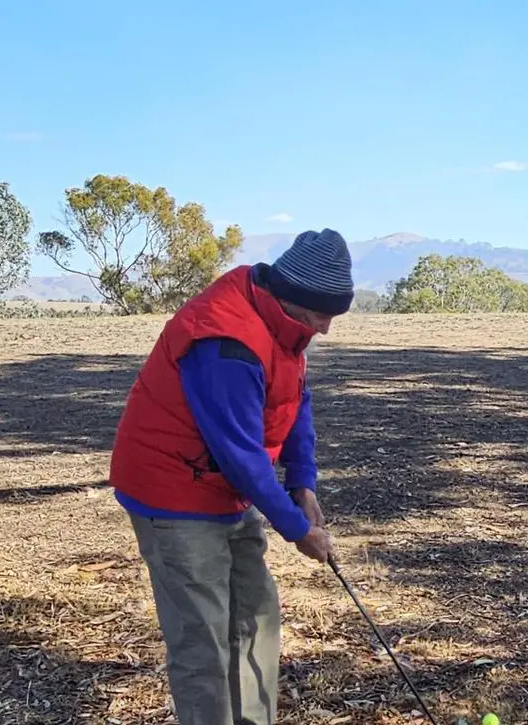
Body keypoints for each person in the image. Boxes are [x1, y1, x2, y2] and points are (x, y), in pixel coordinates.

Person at [108, 228, 355, 725]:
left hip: (225, 490)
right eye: (320, 316)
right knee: (204, 638)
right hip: (172, 491)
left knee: (255, 618)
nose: (325, 329)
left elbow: (294, 400)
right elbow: (240, 455)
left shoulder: (285, 324)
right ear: (290, 299)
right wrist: (297, 529)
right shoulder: (223, 339)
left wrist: (303, 483)